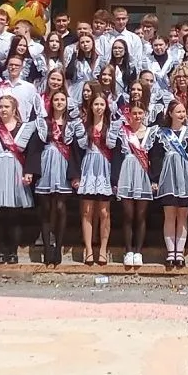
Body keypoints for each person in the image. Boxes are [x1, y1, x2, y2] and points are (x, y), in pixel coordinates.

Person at [0, 96, 41, 265]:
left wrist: (29, 171)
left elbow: (32, 152)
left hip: (16, 172)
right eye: (1, 107)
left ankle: (12, 251)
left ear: (14, 109)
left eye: (6, 107)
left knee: (14, 214)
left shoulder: (24, 128)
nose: (3, 110)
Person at [149, 100, 188, 268]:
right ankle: (170, 251)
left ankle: (179, 252)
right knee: (169, 214)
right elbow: (156, 157)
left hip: (185, 176)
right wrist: (155, 178)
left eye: (183, 111)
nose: (181, 114)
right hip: (168, 176)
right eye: (178, 111)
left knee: (183, 214)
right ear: (170, 114)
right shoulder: (161, 134)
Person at [75, 93, 118, 266]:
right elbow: (79, 148)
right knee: (87, 211)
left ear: (106, 107)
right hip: (89, 166)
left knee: (104, 212)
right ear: (91, 107)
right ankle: (89, 249)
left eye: (102, 104)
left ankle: (103, 249)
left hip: (105, 167)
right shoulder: (84, 126)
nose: (99, 107)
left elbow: (114, 147)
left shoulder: (111, 126)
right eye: (96, 104)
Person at [34, 89, 76, 266]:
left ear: (67, 103)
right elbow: (35, 145)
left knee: (60, 206)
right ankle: (46, 248)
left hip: (63, 165)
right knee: (45, 208)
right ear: (51, 103)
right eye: (56, 99)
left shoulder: (72, 123)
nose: (59, 102)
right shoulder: (44, 122)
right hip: (46, 164)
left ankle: (58, 247)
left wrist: (75, 174)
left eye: (62, 99)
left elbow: (75, 150)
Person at [116, 102, 155, 268]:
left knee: (141, 215)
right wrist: (115, 180)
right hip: (126, 173)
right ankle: (128, 250)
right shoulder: (123, 132)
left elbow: (155, 157)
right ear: (129, 115)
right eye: (134, 113)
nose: (137, 116)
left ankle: (138, 251)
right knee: (128, 214)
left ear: (144, 114)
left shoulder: (151, 132)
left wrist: (154, 179)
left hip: (143, 175)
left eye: (140, 113)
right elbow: (117, 155)